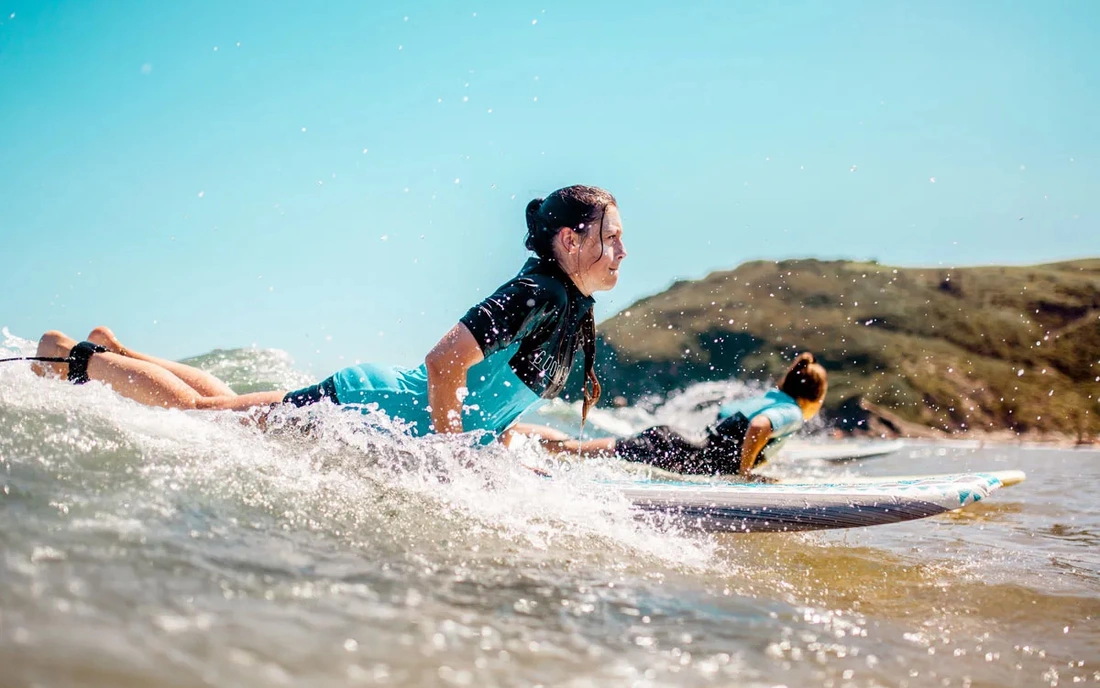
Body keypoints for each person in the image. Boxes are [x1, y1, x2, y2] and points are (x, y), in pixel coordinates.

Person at [22, 185, 627, 442]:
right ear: (571, 242)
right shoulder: (539, 294)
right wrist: (450, 458)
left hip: (378, 409)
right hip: (368, 406)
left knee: (230, 403)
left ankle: (117, 351)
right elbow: (446, 362)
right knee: (201, 417)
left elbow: (483, 399)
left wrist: (485, 447)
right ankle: (75, 359)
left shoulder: (565, 301)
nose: (623, 251)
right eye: (612, 236)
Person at [524, 353, 828, 478]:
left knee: (584, 449)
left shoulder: (767, 398)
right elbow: (759, 427)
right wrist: (745, 473)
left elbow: (728, 418)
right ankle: (520, 436)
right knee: (576, 451)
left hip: (679, 443)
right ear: (815, 397)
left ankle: (525, 436)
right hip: (679, 450)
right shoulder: (791, 411)